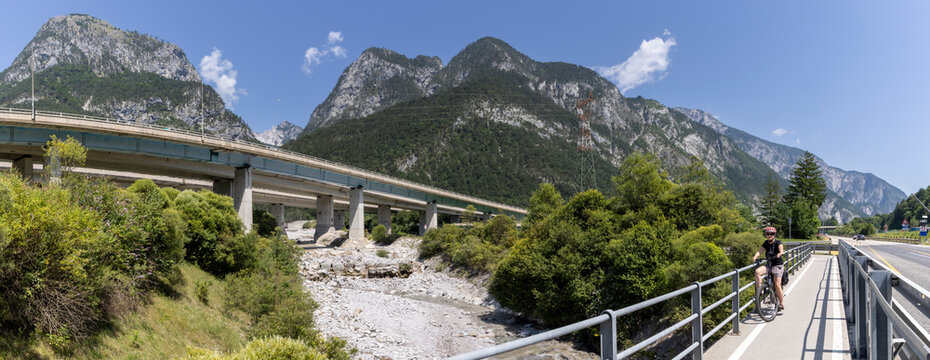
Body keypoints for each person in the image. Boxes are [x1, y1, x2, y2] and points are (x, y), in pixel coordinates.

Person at [752, 226, 786, 311]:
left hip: (777, 265)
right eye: (768, 234)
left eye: (772, 234)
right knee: (757, 271)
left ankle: (781, 303)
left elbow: (781, 249)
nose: (769, 235)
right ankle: (759, 291)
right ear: (766, 235)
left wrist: (780, 254)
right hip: (769, 265)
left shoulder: (778, 242)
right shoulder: (766, 243)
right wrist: (755, 256)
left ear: (774, 235)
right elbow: (760, 251)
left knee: (777, 284)